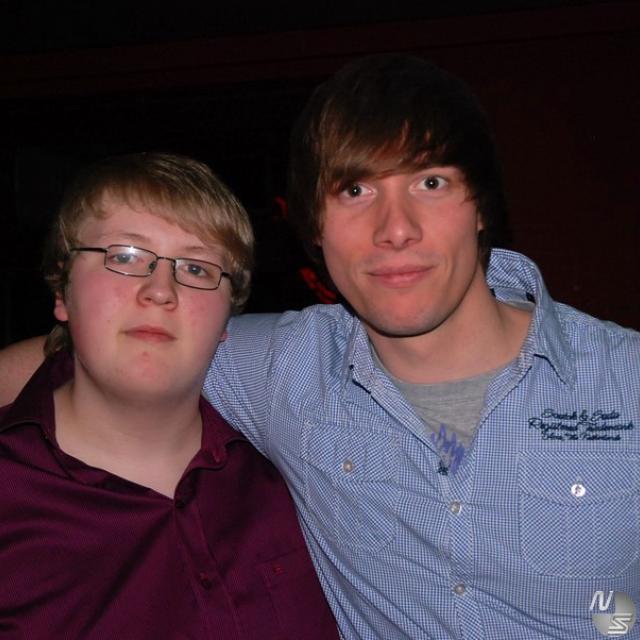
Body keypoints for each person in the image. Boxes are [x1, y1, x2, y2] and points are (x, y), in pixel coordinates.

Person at [1, 55, 639, 639]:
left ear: (480, 207)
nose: (396, 229)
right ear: (314, 227)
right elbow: (110, 343)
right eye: (355, 191)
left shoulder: (627, 380)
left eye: (431, 183)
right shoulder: (285, 368)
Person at [0, 153, 338, 639]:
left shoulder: (298, 475)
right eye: (124, 256)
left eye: (197, 268)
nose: (160, 290)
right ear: (62, 292)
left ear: (228, 319)